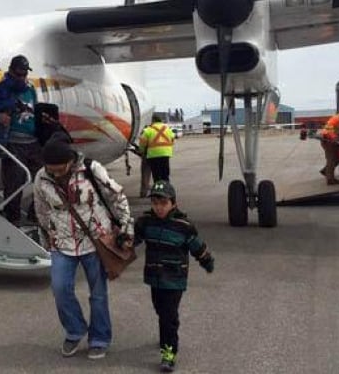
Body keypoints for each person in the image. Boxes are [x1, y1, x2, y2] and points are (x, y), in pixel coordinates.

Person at [33, 134, 133, 360]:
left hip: (95, 239)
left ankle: (99, 338)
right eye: (51, 170)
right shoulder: (41, 177)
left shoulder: (91, 169)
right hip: (62, 241)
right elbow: (40, 209)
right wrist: (46, 238)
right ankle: (75, 330)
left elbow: (116, 196)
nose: (55, 174)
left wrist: (127, 229)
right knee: (60, 289)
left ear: (70, 160)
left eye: (60, 169)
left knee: (98, 294)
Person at [134, 180, 214, 372]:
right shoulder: (146, 222)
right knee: (160, 310)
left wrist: (206, 261)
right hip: (155, 277)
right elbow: (134, 239)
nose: (159, 208)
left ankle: (168, 353)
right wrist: (122, 240)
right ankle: (169, 330)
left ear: (173, 203)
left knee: (167, 317)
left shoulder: (183, 226)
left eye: (163, 203)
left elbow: (197, 246)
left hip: (174, 279)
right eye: (155, 203)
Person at [0, 55, 43, 224]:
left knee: (45, 179)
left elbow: (35, 110)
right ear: (11, 71)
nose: (22, 77)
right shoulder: (2, 89)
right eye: (19, 74)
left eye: (25, 73)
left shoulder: (30, 89)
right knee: (13, 185)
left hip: (33, 142)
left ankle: (35, 214)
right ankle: (13, 221)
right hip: (13, 143)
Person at [319, 106, 339, 185]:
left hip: (332, 141)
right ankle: (330, 180)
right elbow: (327, 129)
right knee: (331, 159)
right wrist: (335, 138)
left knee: (337, 158)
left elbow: (337, 131)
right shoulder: (336, 118)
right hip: (327, 141)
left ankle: (326, 171)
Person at [138, 114, 176, 182]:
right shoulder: (167, 128)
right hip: (165, 154)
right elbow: (172, 139)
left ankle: (158, 188)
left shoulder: (148, 130)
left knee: (156, 176)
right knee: (165, 174)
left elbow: (142, 143)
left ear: (152, 120)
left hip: (153, 156)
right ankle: (166, 188)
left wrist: (141, 151)